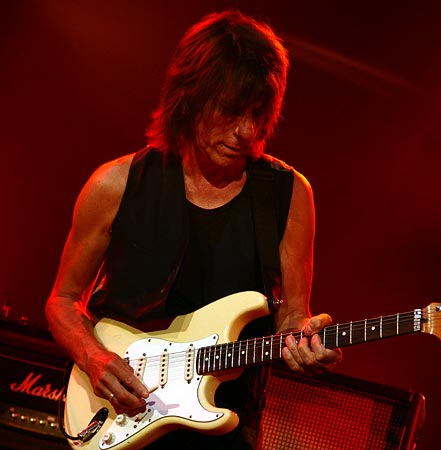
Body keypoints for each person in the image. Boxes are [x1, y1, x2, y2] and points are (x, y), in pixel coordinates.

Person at [45, 9, 342, 449]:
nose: (246, 132)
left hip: (226, 422)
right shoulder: (116, 183)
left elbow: (292, 315)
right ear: (190, 98)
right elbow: (63, 300)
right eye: (231, 111)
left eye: (257, 114)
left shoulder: (290, 193)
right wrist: (94, 358)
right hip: (120, 411)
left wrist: (305, 343)